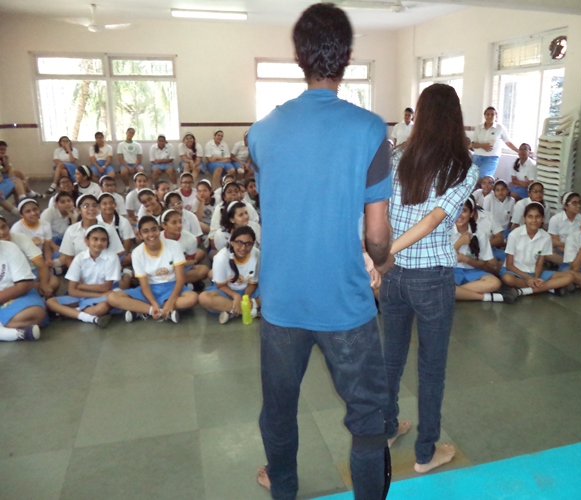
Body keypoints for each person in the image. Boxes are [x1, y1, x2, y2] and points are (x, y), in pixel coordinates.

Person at [248, 4, 394, 498]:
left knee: (278, 411)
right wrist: (380, 260)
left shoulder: (260, 132)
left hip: (282, 301)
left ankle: (283, 489)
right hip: (344, 303)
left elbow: (280, 209)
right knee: (368, 419)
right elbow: (377, 235)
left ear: (298, 56)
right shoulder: (370, 130)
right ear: (347, 57)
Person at [380, 83, 477, 476]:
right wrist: (387, 254)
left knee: (391, 357)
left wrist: (384, 256)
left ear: (419, 115)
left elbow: (380, 210)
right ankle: (425, 454)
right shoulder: (463, 167)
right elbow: (436, 218)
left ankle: (386, 430)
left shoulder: (398, 156)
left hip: (394, 276)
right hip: (432, 278)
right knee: (431, 367)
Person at [107, 216, 198, 323]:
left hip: (172, 286)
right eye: (145, 231)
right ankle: (157, 310)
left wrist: (171, 300)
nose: (151, 234)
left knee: (192, 298)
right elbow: (144, 284)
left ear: (159, 230)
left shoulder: (174, 246)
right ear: (140, 235)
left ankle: (142, 310)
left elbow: (180, 279)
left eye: (154, 229)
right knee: (112, 297)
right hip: (149, 289)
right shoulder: (137, 253)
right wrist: (153, 303)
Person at [45, 225, 120, 327]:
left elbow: (106, 287)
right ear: (86, 241)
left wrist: (80, 286)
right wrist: (99, 295)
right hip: (88, 295)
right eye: (95, 239)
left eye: (103, 240)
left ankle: (70, 313)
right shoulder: (79, 258)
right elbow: (72, 291)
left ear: (107, 242)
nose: (99, 243)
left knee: (102, 308)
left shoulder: (112, 257)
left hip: (101, 296)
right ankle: (89, 317)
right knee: (50, 302)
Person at [499, 202, 574, 296]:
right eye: (530, 217)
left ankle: (524, 291)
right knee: (508, 279)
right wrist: (529, 278)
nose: (534, 220)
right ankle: (547, 288)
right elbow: (509, 265)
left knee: (570, 276)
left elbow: (539, 263)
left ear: (543, 219)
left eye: (537, 217)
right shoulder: (514, 235)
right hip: (515, 271)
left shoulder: (546, 237)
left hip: (534, 272)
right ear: (524, 218)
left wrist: (536, 278)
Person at [453, 197, 515, 303]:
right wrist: (459, 243)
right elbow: (439, 259)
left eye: (464, 211)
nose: (459, 215)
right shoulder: (445, 230)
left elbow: (487, 264)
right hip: (450, 271)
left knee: (494, 282)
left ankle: (456, 293)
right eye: (456, 210)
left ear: (471, 213)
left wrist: (466, 259)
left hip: (472, 271)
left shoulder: (479, 232)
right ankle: (485, 297)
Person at [199, 226, 260, 324]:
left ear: (253, 244)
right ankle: (249, 310)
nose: (243, 248)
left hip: (249, 291)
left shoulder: (256, 254)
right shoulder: (221, 258)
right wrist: (235, 296)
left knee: (273, 292)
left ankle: (232, 310)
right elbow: (221, 285)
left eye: (248, 244)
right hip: (227, 292)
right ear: (232, 242)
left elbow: (253, 283)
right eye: (239, 243)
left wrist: (245, 298)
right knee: (204, 298)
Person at [59, 194, 125, 268]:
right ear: (78, 210)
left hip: (104, 269)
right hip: (80, 270)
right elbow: (68, 257)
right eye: (86, 206)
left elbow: (116, 253)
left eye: (94, 205)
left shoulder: (108, 229)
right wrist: (77, 273)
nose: (91, 209)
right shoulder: (71, 230)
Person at [0, 214, 58, 298]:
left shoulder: (21, 238)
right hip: (6, 280)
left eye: (3, 227)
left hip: (29, 273)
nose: (2, 232)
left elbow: (41, 265)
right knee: (26, 288)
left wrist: (43, 284)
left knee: (54, 281)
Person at [0, 238, 44, 341]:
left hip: (14, 295)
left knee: (35, 313)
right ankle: (13, 334)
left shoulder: (10, 248)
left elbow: (24, 285)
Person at [160, 209, 208, 290]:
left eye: (180, 222)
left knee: (204, 270)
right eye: (174, 223)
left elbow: (190, 261)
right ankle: (184, 284)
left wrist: (177, 265)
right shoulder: (157, 239)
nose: (179, 225)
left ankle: (171, 284)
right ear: (164, 225)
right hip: (161, 270)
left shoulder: (190, 239)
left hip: (181, 269)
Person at [470, 106, 519, 178]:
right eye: (488, 114)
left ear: (496, 116)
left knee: (484, 178)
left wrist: (518, 151)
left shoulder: (500, 128)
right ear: (484, 115)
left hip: (491, 158)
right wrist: (482, 146)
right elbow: (473, 144)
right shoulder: (479, 127)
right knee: (472, 177)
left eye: (492, 114)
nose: (490, 116)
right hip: (477, 157)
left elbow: (508, 142)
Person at [547, 192, 581, 264]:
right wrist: (569, 247)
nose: (578, 206)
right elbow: (554, 242)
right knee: (547, 252)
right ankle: (568, 263)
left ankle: (570, 263)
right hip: (560, 250)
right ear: (566, 206)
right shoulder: (556, 219)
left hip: (577, 251)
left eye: (579, 203)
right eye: (574, 203)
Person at [117, 127, 144, 194]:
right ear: (126, 133)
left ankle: (139, 188)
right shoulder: (121, 145)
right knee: (123, 172)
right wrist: (128, 167)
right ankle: (127, 187)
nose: (130, 134)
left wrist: (134, 167)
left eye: (132, 133)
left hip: (136, 164)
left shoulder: (137, 145)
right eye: (129, 132)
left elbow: (139, 159)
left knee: (141, 170)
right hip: (125, 164)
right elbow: (120, 159)